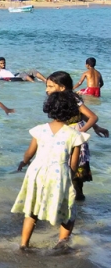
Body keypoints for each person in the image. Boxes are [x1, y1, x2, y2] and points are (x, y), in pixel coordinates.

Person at [13, 91, 88, 250]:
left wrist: (23, 162)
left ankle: (24, 244)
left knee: (32, 211)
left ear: (49, 108)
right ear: (72, 110)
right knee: (68, 212)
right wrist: (70, 178)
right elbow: (74, 163)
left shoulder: (39, 130)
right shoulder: (74, 134)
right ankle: (61, 243)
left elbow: (30, 152)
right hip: (59, 173)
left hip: (37, 172)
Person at [45, 71, 108, 201]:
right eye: (47, 86)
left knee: (76, 175)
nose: (47, 90)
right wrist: (96, 127)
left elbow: (92, 116)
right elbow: (83, 115)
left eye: (50, 86)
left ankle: (77, 204)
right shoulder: (56, 100)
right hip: (62, 136)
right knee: (61, 169)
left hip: (73, 136)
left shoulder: (73, 99)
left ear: (62, 87)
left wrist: (81, 132)